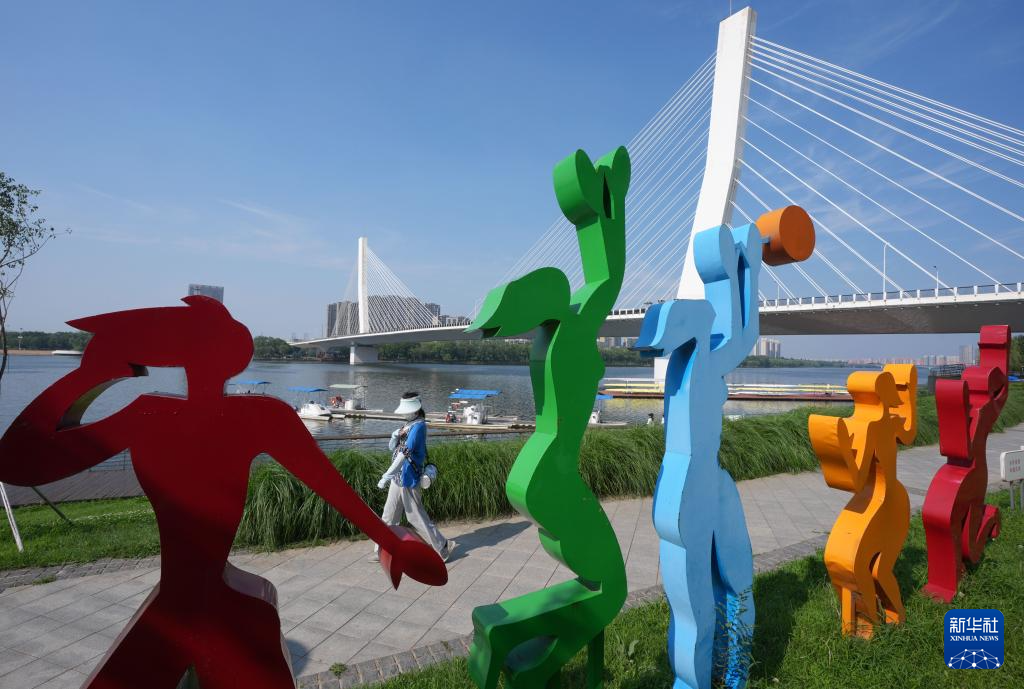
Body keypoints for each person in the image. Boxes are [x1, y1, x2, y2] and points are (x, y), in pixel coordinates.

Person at [373, 392, 456, 562]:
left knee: (415, 516)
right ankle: (382, 549)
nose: (403, 413)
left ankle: (442, 546)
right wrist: (394, 436)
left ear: (415, 410)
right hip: (398, 477)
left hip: (408, 478)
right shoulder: (408, 424)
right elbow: (393, 448)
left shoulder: (418, 427)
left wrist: (386, 475)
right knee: (389, 514)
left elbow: (404, 454)